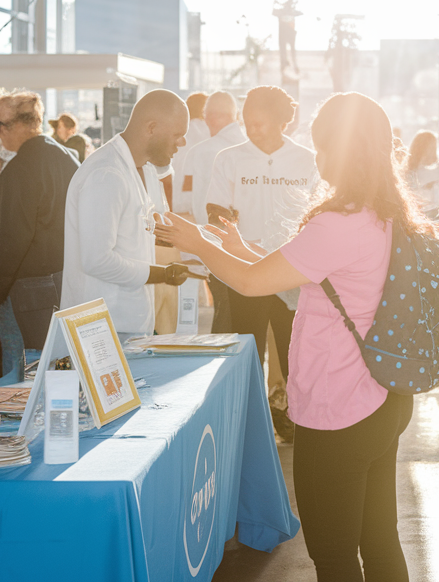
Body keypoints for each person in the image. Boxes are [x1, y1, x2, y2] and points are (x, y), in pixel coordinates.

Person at [155, 92, 421, 582]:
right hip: (383, 395)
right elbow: (305, 266)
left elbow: (255, 283)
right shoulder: (387, 214)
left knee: (334, 553)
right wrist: (241, 246)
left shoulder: (338, 220)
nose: (317, 158)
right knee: (380, 540)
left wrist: (197, 242)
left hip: (338, 406)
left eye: (322, 147)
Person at [205, 86, 317, 426]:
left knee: (294, 352)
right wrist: (226, 225)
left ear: (284, 121)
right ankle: (250, 421)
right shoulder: (229, 158)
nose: (252, 130)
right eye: (249, 123)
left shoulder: (307, 160)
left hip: (292, 270)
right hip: (247, 269)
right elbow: (215, 209)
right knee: (249, 350)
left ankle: (297, 418)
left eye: (261, 124)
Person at [61, 90, 192, 337]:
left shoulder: (145, 169)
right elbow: (97, 260)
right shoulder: (107, 174)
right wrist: (161, 274)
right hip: (102, 329)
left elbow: (141, 234)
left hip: (129, 325)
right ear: (151, 127)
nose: (182, 143)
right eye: (178, 135)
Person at [0, 91, 79, 377]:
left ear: (19, 124)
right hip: (64, 279)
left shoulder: (19, 169)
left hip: (26, 287)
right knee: (55, 368)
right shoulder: (68, 159)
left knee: (19, 375)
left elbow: (10, 243)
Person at [177, 91, 245, 332]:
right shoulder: (253, 150)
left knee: (224, 315)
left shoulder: (198, 152)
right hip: (254, 249)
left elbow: (183, 203)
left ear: (212, 117)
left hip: (215, 243)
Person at [404, 130, 439, 211]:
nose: (435, 151)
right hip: (425, 215)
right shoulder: (422, 173)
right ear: (424, 148)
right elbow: (436, 173)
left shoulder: (408, 170)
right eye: (433, 147)